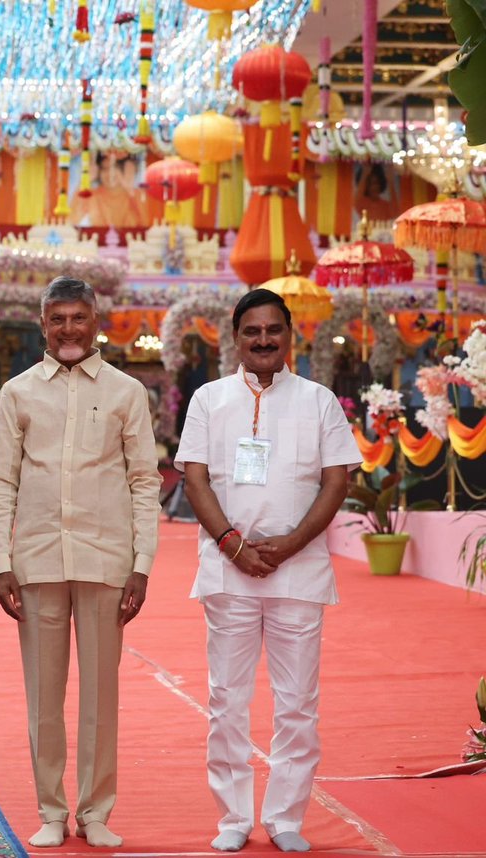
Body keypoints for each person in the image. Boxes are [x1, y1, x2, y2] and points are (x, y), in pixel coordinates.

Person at [175, 288, 361, 854]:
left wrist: (291, 545)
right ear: (236, 338)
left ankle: (284, 818)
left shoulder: (319, 401)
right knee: (226, 698)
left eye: (272, 330)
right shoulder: (209, 399)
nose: (263, 340)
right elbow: (194, 479)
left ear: (288, 336)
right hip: (228, 570)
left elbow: (336, 481)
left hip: (298, 573)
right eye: (252, 331)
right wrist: (232, 545)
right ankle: (233, 816)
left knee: (298, 701)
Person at [0, 276, 161, 849]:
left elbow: (144, 481)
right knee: (44, 697)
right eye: (57, 319)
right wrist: (1, 561)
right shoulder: (17, 393)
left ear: (95, 323)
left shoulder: (126, 392)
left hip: (106, 559)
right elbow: (3, 484)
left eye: (77, 318)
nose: (68, 329)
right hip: (36, 560)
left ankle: (95, 810)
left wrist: (142, 563)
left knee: (100, 697)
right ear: (42, 324)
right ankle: (51, 809)